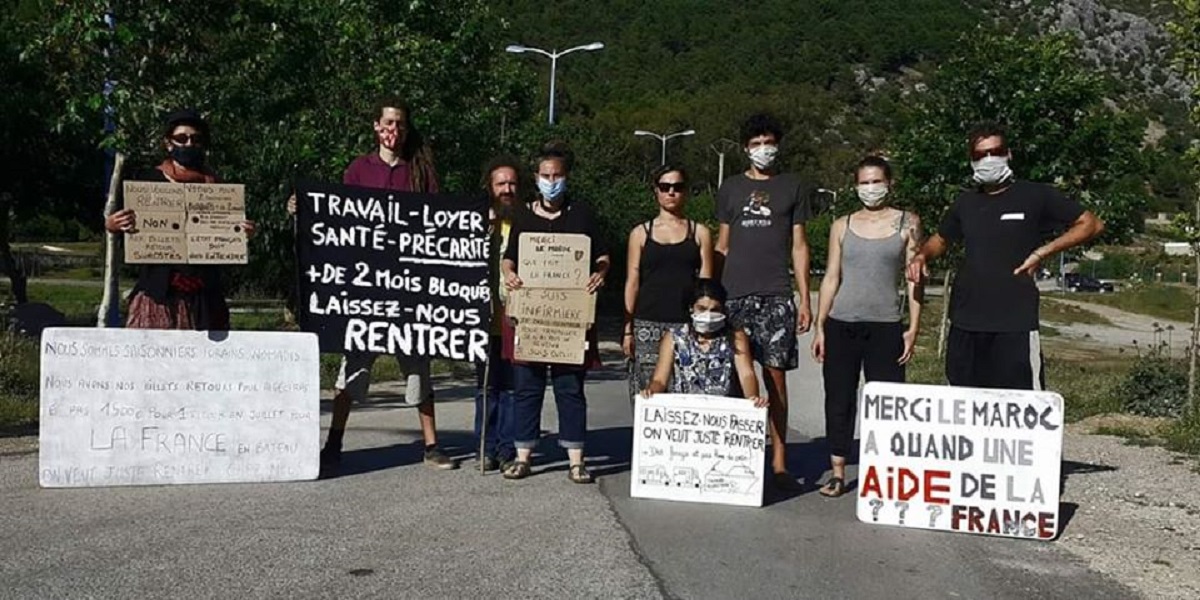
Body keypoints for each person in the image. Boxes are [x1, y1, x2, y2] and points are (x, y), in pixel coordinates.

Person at [289, 97, 454, 476]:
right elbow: (340, 217)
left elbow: (442, 221)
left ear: (405, 130)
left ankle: (431, 444)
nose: (392, 131)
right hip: (366, 290)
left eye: (399, 124)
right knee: (352, 368)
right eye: (387, 123)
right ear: (376, 127)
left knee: (419, 367)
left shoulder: (421, 173)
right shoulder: (358, 169)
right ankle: (334, 442)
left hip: (410, 290)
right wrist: (305, 209)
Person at [906, 121, 1105, 390]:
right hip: (966, 320)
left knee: (1023, 409)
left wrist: (1042, 252)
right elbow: (940, 239)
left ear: (1008, 154)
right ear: (971, 161)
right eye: (980, 155)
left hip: (1014, 322)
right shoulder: (965, 202)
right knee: (963, 405)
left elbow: (1091, 224)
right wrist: (922, 256)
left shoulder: (1035, 195)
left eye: (995, 151)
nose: (989, 159)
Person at [811, 155, 922, 498]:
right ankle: (838, 470)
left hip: (886, 325)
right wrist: (820, 325)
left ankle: (885, 473)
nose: (870, 188)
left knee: (886, 402)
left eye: (877, 181)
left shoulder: (908, 223)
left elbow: (915, 279)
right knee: (839, 399)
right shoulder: (842, 225)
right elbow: (831, 276)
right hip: (842, 323)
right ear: (855, 185)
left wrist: (913, 328)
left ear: (889, 183)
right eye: (864, 182)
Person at [500, 142, 610, 483]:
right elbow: (509, 256)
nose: (551, 181)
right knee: (527, 389)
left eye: (557, 175)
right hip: (532, 318)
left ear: (566, 177)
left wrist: (600, 273)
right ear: (536, 178)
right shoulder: (523, 216)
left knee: (570, 389)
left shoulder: (583, 213)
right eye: (546, 175)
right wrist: (509, 273)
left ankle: (576, 460)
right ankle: (523, 457)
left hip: (570, 320)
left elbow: (603, 255)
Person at [715, 113, 814, 490]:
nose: (763, 150)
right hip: (735, 295)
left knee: (775, 380)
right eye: (756, 144)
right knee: (739, 380)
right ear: (745, 148)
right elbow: (722, 244)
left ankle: (779, 462)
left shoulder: (792, 186)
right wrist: (711, 293)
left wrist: (804, 299)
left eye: (768, 142)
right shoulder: (730, 188)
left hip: (775, 294)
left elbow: (800, 245)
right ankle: (742, 455)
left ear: (778, 144)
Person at [105, 108, 255, 330]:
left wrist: (244, 234)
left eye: (195, 139)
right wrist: (113, 224)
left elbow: (228, 240)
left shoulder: (219, 187)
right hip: (158, 294)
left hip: (205, 296)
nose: (188, 144)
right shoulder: (146, 181)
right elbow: (122, 229)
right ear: (168, 143)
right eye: (181, 138)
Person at [623, 165, 713, 400]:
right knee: (647, 393)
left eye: (677, 187)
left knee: (686, 389)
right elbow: (632, 281)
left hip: (686, 324)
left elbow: (707, 286)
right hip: (647, 323)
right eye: (665, 187)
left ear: (686, 191)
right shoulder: (640, 233)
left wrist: (706, 326)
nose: (671, 192)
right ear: (656, 191)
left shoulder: (700, 233)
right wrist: (627, 329)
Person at [641, 279, 766, 408]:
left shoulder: (735, 337)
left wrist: (752, 398)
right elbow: (660, 379)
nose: (708, 315)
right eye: (702, 309)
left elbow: (746, 374)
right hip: (684, 414)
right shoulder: (674, 337)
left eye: (714, 310)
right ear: (691, 308)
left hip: (725, 414)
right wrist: (652, 392)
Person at [475, 154, 523, 472]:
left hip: (517, 319)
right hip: (481, 319)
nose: (506, 188)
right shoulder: (476, 221)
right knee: (486, 387)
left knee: (512, 388)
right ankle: (485, 446)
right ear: (490, 187)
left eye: (511, 182)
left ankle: (507, 448)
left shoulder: (528, 222)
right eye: (500, 183)